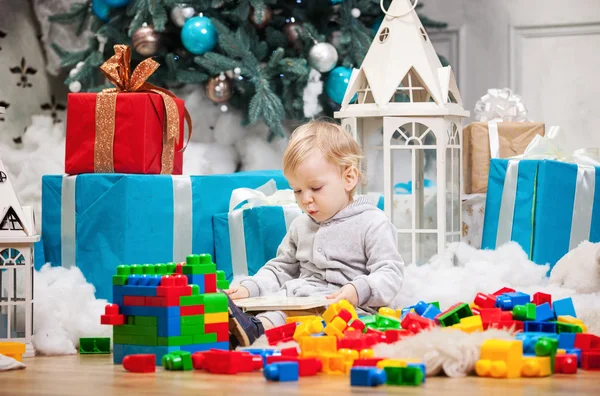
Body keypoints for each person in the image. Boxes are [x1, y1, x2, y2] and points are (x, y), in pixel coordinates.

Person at [224, 119, 404, 348]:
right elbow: (280, 269)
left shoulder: (372, 222)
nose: (305, 199)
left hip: (347, 311)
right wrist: (250, 287)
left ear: (349, 178)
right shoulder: (301, 225)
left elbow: (390, 271)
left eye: (316, 188)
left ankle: (256, 330)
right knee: (279, 313)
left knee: (313, 322)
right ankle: (249, 330)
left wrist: (357, 290)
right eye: (297, 190)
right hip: (298, 301)